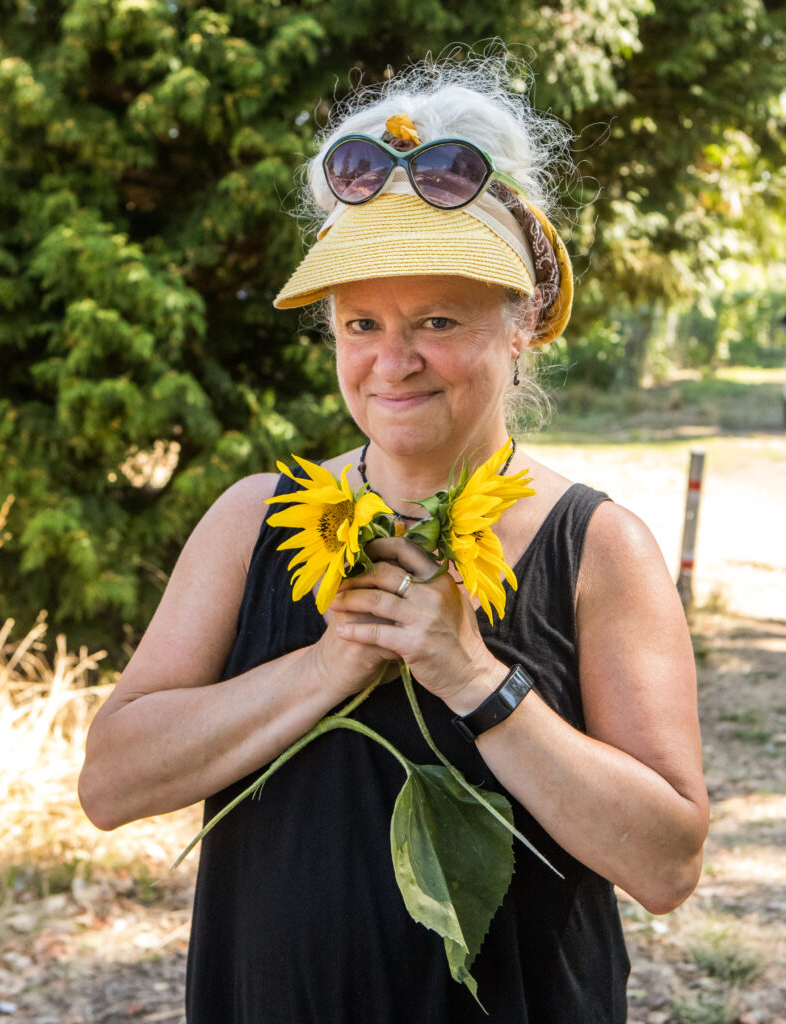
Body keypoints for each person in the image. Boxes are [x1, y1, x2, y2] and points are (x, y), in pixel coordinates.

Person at [79, 56, 709, 1023]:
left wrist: (473, 677)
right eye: (359, 322)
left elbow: (665, 862)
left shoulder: (597, 548)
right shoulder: (252, 518)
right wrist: (332, 663)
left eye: (438, 319)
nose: (392, 361)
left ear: (524, 320)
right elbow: (114, 783)